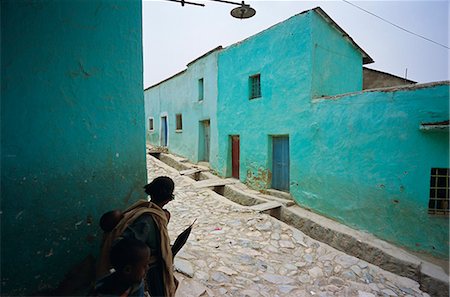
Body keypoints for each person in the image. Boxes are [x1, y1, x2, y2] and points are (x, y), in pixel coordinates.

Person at [97, 176, 177, 297]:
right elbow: (125, 244)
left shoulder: (149, 212)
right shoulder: (148, 220)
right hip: (149, 271)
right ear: (168, 199)